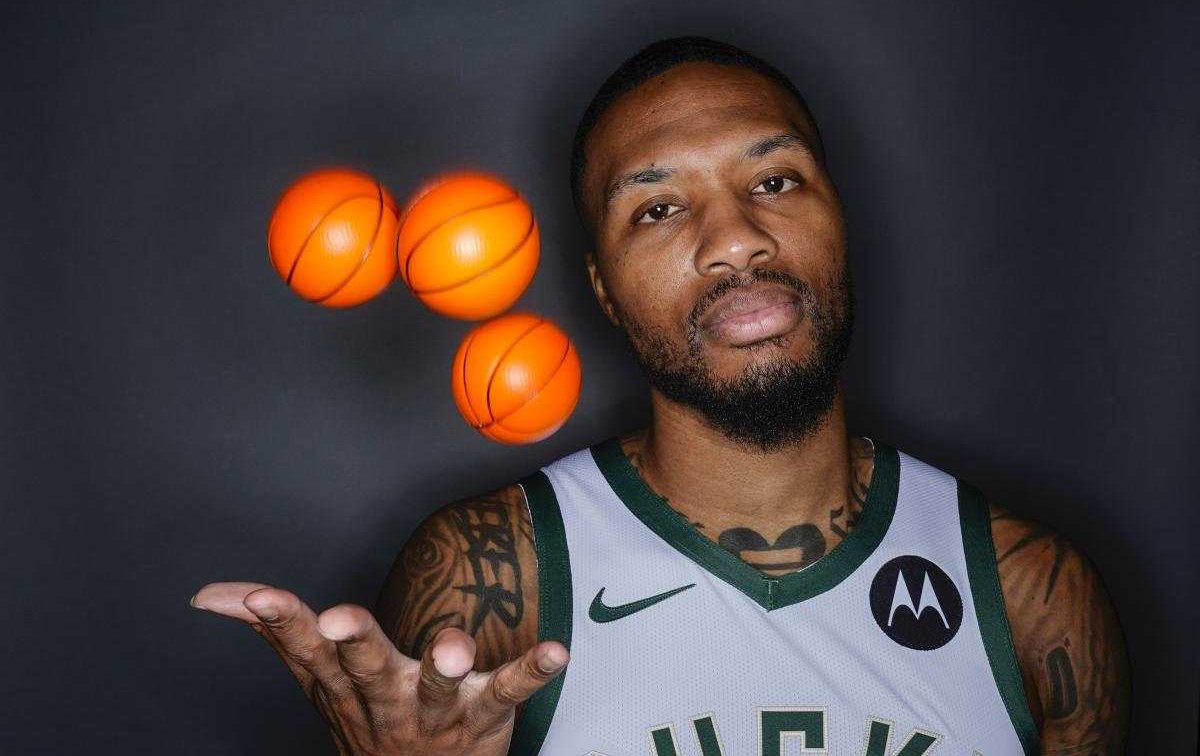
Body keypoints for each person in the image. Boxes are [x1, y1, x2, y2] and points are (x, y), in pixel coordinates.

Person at [192, 37, 1131, 755]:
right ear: (602, 286)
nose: (734, 238)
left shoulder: (1033, 595)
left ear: (841, 219)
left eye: (774, 179)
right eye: (658, 207)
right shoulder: (494, 578)